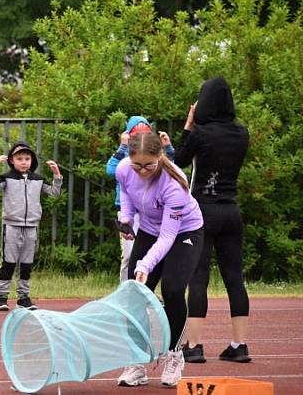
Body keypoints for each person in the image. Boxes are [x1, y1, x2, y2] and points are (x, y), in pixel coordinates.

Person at [115, 131, 203, 388]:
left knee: (173, 290)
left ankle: (174, 355)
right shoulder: (124, 168)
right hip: (150, 229)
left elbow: (167, 237)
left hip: (184, 232)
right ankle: (136, 362)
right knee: (135, 293)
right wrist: (126, 217)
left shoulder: (174, 184)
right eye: (137, 165)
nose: (142, 170)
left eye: (148, 165)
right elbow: (127, 192)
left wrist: (144, 264)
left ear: (160, 156)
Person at [174, 77, 251, 364]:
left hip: (202, 211)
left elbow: (179, 161)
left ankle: (194, 345)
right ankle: (239, 344)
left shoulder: (200, 134)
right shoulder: (242, 134)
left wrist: (188, 126)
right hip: (231, 210)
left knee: (199, 277)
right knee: (235, 278)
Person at [0, 141, 62, 311]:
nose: (23, 162)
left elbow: (55, 193)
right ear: (12, 160)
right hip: (12, 225)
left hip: (31, 226)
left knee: (26, 263)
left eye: (27, 158)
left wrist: (57, 175)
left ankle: (23, 297)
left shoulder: (38, 179)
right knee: (8, 261)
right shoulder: (7, 178)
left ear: (32, 160)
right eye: (19, 158)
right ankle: (1, 297)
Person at [106, 117, 175, 281]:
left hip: (150, 209)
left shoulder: (153, 155)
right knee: (130, 254)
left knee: (151, 252)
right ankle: (126, 291)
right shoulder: (125, 158)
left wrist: (168, 148)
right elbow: (110, 170)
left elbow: (172, 170)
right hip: (129, 210)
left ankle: (146, 289)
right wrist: (123, 147)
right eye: (136, 136)